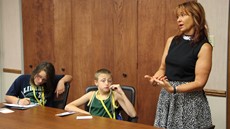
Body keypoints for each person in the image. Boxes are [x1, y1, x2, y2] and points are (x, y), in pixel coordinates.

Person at [144, 1, 213, 129]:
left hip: (189, 102)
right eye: (177, 17)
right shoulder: (172, 41)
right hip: (167, 98)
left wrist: (174, 89)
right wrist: (156, 78)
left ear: (195, 17)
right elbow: (162, 68)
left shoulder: (204, 47)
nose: (179, 20)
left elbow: (200, 82)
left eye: (183, 15)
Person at [65, 68, 136, 120]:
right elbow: (68, 107)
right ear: (96, 83)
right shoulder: (91, 95)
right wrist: (87, 113)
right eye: (103, 81)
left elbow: (133, 114)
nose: (107, 83)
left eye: (109, 81)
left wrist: (122, 94)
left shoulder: (115, 95)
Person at [5, 61, 72, 107]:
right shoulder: (22, 79)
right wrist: (19, 101)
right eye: (38, 76)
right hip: (26, 114)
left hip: (45, 115)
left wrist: (62, 81)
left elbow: (69, 77)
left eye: (44, 79)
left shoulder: (51, 81)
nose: (40, 81)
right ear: (35, 72)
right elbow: (7, 97)